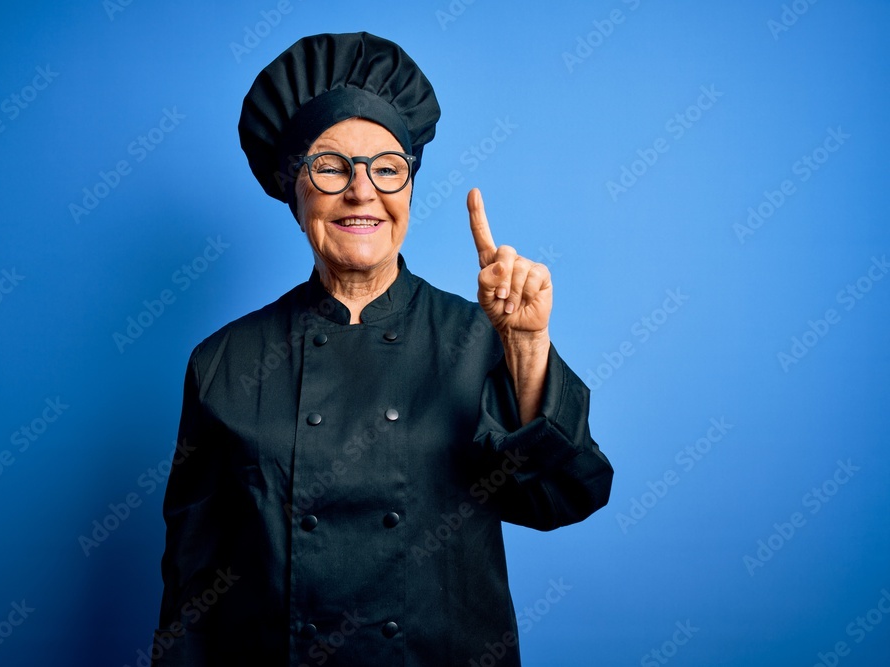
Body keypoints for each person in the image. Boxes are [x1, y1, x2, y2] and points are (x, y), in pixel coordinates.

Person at [151, 31, 613, 667]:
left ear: (409, 187)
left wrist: (528, 347)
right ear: (294, 190)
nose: (362, 191)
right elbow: (191, 595)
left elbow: (564, 496)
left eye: (387, 168)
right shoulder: (224, 364)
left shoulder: (480, 338)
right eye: (330, 166)